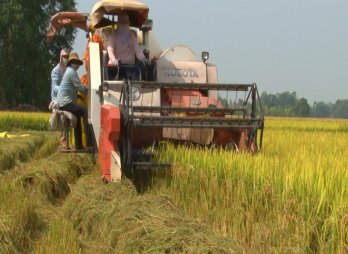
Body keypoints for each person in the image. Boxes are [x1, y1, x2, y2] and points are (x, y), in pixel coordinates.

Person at [57, 52, 94, 150]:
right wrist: (92, 90)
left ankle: (79, 146)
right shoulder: (71, 72)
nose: (77, 65)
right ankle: (90, 143)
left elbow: (75, 88)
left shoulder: (69, 71)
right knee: (86, 111)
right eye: (75, 62)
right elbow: (80, 87)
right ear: (71, 63)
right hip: (65, 102)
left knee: (78, 115)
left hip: (64, 102)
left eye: (78, 62)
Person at [107, 13, 147, 80]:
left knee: (139, 73)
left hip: (130, 67)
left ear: (128, 24)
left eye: (125, 22)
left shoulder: (131, 36)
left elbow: (138, 50)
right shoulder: (112, 36)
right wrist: (114, 60)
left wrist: (143, 59)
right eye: (122, 22)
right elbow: (110, 50)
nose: (124, 25)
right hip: (116, 67)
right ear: (118, 23)